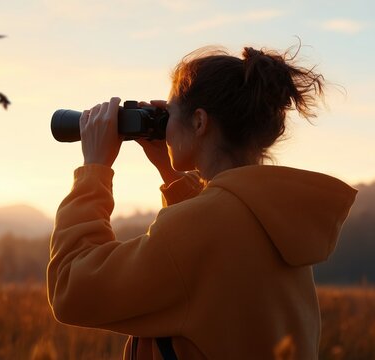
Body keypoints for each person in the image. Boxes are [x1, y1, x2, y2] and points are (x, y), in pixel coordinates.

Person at [47, 45, 357, 359]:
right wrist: (172, 173)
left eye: (170, 113)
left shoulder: (200, 227)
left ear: (199, 122)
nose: (164, 126)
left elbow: (71, 287)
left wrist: (94, 169)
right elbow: (207, 282)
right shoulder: (277, 219)